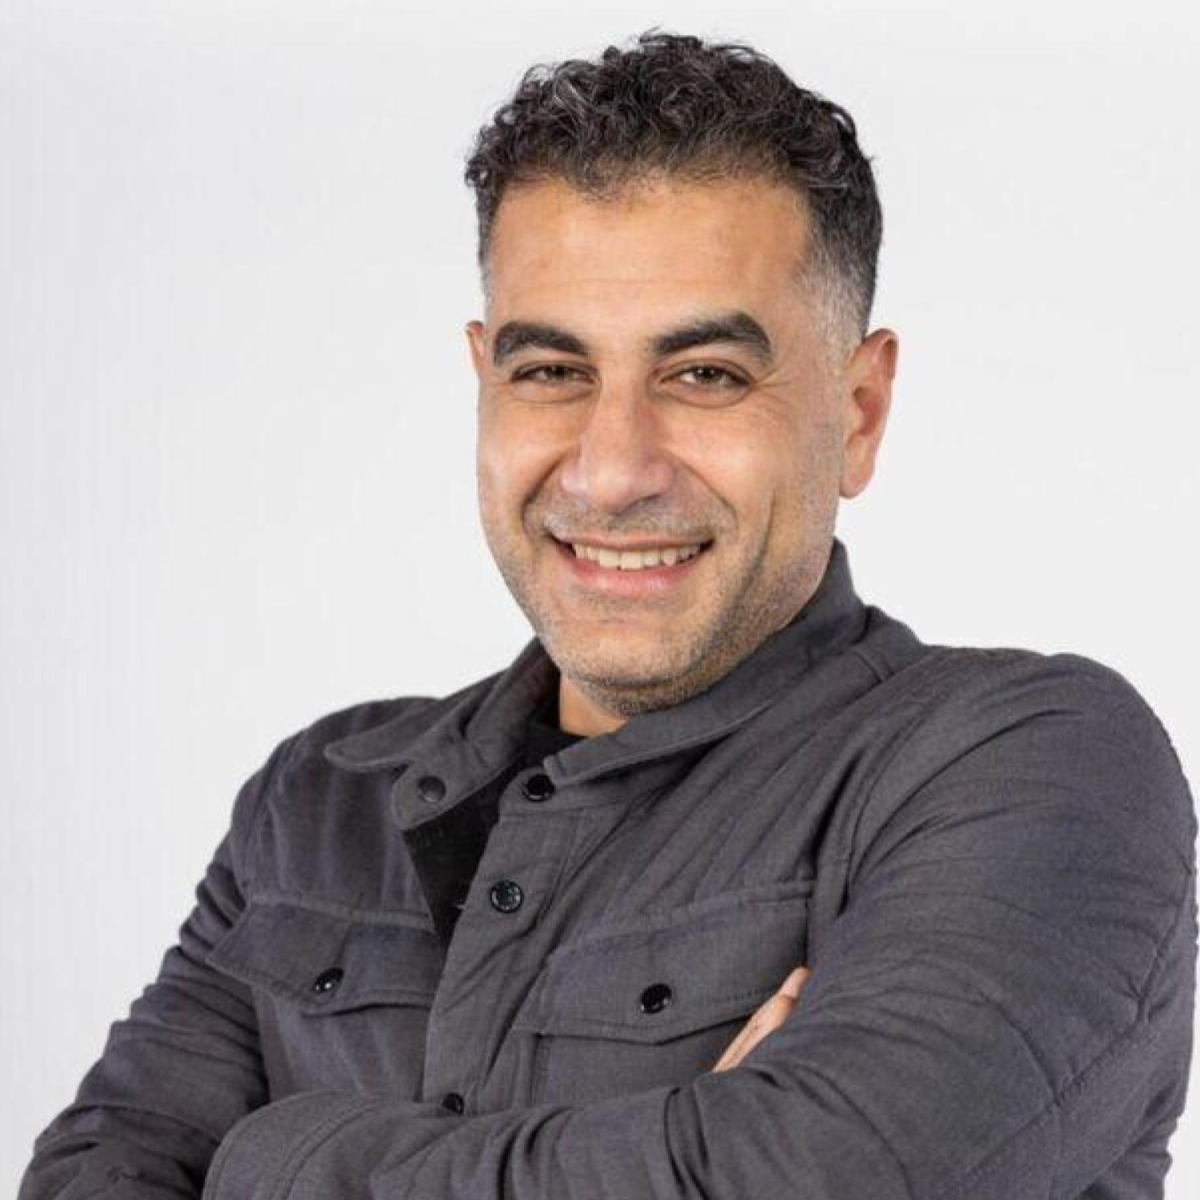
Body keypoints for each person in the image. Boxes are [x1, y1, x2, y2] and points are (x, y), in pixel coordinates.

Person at [19, 28, 1196, 1200]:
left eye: (705, 375)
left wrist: (273, 1162)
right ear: (484, 381)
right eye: (552, 372)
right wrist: (684, 1154)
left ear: (859, 411)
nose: (613, 469)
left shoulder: (1035, 769)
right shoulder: (321, 804)